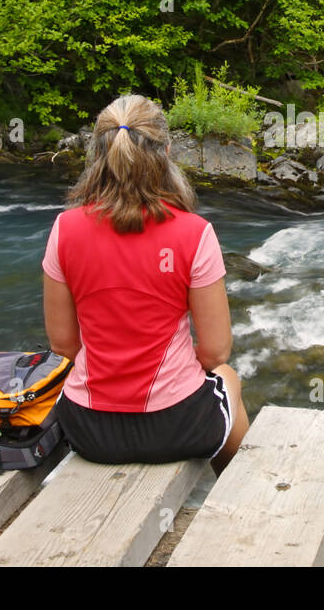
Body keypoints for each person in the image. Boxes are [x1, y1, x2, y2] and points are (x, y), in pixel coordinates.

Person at [42, 94, 249, 474]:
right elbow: (216, 352)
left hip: (88, 429)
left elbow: (63, 345)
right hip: (176, 424)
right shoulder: (195, 234)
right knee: (227, 377)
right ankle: (233, 493)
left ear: (97, 155)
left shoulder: (64, 230)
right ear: (167, 152)